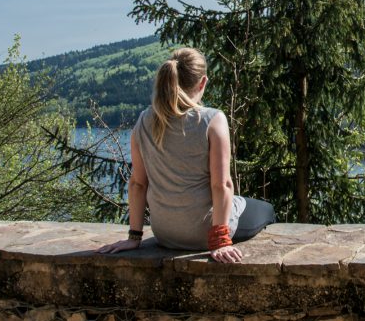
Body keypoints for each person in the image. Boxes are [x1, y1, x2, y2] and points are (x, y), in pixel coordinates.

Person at [97, 47, 275, 263]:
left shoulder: (144, 120)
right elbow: (222, 185)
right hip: (204, 235)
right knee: (266, 210)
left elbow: (137, 184)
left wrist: (134, 237)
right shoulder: (211, 119)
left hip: (165, 233)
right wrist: (219, 241)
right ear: (203, 83)